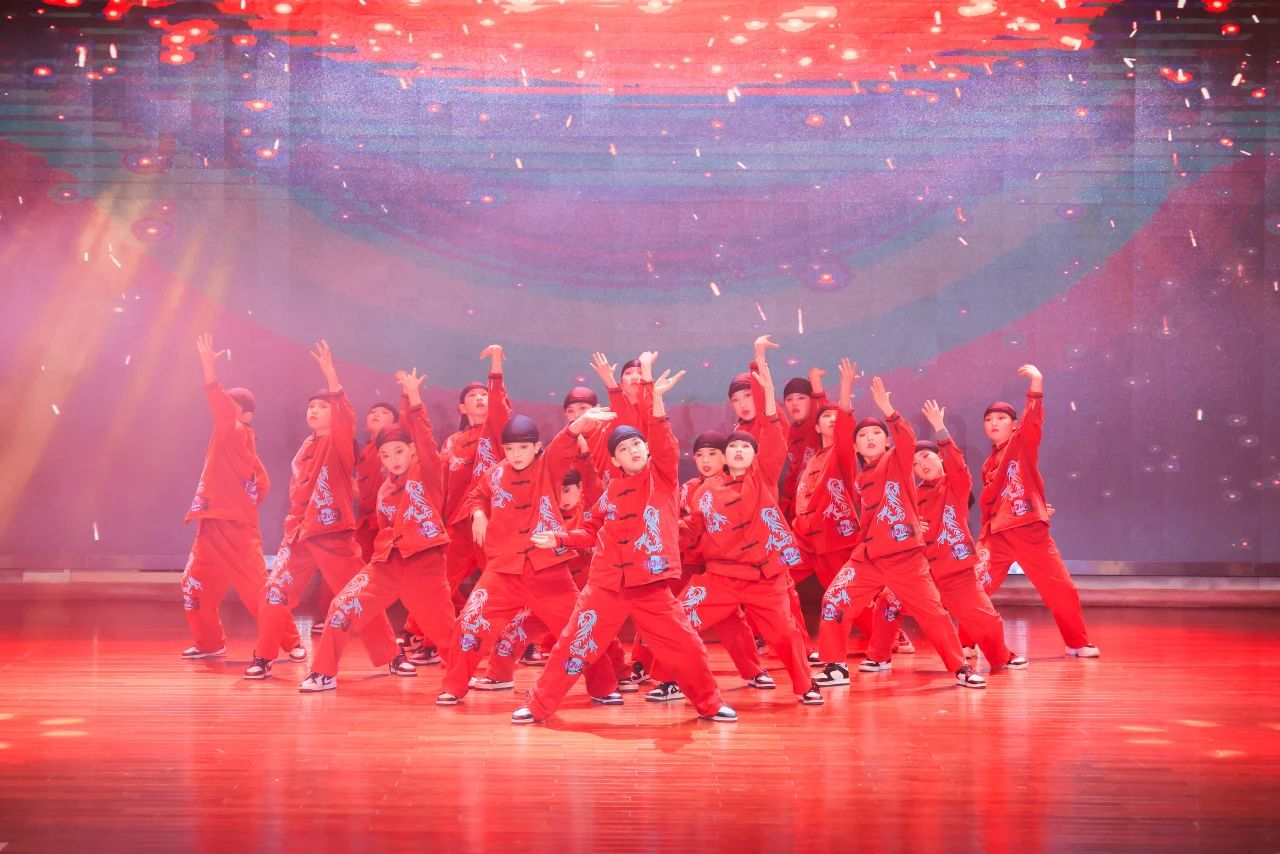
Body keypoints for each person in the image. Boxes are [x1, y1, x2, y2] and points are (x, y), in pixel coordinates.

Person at [513, 366, 737, 724]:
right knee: (574, 644)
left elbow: (664, 444)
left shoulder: (662, 479)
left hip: (650, 586)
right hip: (605, 587)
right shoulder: (609, 495)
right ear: (614, 460)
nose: (633, 449)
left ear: (646, 450)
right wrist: (559, 537)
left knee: (686, 646)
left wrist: (657, 400)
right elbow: (589, 531)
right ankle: (537, 706)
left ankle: (710, 704)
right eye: (623, 448)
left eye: (637, 444)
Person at [435, 408, 621, 706]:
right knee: (470, 621)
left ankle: (604, 686)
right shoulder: (495, 474)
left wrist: (575, 427)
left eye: (523, 447)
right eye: (510, 448)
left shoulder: (548, 467)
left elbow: (562, 446)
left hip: (548, 570)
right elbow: (476, 495)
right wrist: (478, 513)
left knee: (578, 628)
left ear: (536, 447)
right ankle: (454, 686)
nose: (516, 454)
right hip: (503, 570)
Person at [814, 376, 986, 689]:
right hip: (867, 558)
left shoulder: (897, 461)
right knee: (834, 600)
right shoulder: (858, 475)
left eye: (876, 433)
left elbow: (906, 438)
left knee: (933, 613)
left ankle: (960, 668)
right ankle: (836, 667)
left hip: (905, 558)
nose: (869, 438)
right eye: (862, 435)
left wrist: (888, 410)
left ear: (887, 442)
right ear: (855, 445)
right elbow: (841, 436)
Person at [670, 355, 823, 706]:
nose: (739, 451)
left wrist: (767, 394)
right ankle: (668, 679)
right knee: (679, 619)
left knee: (786, 634)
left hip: (765, 578)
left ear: (755, 455)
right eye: (733, 447)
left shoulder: (763, 476)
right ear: (724, 457)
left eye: (745, 447)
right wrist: (663, 539)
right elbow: (690, 530)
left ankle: (805, 685)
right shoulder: (706, 491)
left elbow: (773, 434)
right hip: (721, 577)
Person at [245, 340, 395, 680]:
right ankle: (264, 656)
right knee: (273, 592)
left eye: (322, 406)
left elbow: (346, 416)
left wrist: (331, 376)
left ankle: (391, 654)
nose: (313, 411)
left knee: (358, 595)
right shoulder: (305, 447)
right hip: (298, 536)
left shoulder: (338, 443)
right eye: (311, 406)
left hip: (332, 536)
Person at [300, 368, 457, 691]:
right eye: (385, 455)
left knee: (444, 633)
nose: (392, 459)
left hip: (424, 566)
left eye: (399, 451)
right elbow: (385, 529)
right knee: (342, 606)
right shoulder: (385, 490)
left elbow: (423, 435)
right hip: (386, 566)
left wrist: (413, 397)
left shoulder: (427, 473)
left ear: (411, 451)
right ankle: (323, 672)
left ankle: (462, 676)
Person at [180, 334, 301, 661]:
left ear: (246, 416)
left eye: (230, 406)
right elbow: (262, 485)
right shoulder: (229, 440)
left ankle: (292, 641)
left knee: (256, 591)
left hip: (235, 530)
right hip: (210, 524)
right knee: (194, 585)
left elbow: (261, 485)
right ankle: (210, 643)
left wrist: (208, 370)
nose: (222, 409)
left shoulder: (236, 433)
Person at [975, 365, 1098, 657]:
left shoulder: (1022, 445)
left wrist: (1036, 383)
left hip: (1030, 533)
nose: (994, 423)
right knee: (976, 587)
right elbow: (999, 500)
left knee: (1061, 588)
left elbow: (1033, 421)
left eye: (1001, 418)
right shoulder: (987, 465)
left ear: (1015, 425)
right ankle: (966, 641)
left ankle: (1077, 642)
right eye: (989, 420)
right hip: (998, 535)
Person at [789, 358, 900, 669]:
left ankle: (889, 637)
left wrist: (845, 388)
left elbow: (843, 424)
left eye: (835, 417)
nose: (831, 419)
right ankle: (802, 647)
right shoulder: (813, 458)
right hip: (803, 541)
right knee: (776, 581)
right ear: (816, 426)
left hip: (835, 540)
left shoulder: (843, 454)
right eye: (825, 416)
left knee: (851, 599)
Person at [907, 399, 1028, 674]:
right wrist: (912, 528)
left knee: (988, 620)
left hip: (956, 570)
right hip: (922, 574)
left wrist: (940, 429)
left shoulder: (956, 486)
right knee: (888, 605)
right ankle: (879, 656)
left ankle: (1000, 658)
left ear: (940, 457)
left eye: (926, 457)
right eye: (914, 463)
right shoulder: (911, 497)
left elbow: (957, 463)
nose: (921, 465)